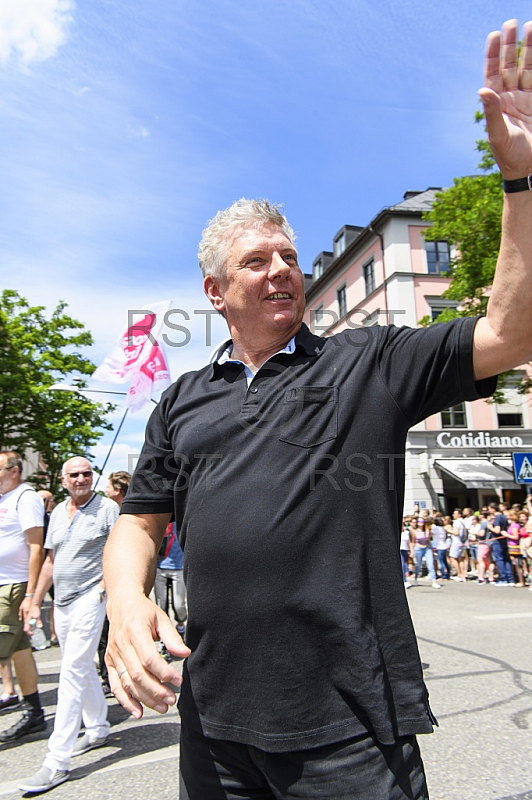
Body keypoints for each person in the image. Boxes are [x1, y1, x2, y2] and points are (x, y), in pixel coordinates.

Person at [104, 20, 532, 800]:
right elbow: (139, 520)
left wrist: (522, 182)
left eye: (290, 258)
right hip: (216, 723)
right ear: (214, 293)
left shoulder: (372, 361)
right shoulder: (183, 399)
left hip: (349, 727)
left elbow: (512, 331)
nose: (280, 271)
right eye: (256, 261)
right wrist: (125, 600)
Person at [17, 457, 119, 795]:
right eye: (74, 474)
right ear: (63, 480)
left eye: (87, 473)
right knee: (78, 665)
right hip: (61, 603)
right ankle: (99, 727)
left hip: (92, 595)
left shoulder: (107, 509)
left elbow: (119, 551)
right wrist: (33, 598)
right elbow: (50, 560)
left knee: (72, 669)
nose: (81, 478)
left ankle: (56, 761)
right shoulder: (59, 512)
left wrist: (107, 587)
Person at [0, 451, 46, 741]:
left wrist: (31, 594)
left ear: (13, 471)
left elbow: (36, 548)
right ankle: (34, 713)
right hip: (4, 584)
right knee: (20, 651)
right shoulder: (5, 497)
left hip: (13, 586)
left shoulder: (25, 497)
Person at [98, 471, 132, 695]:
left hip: (116, 581)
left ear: (117, 490)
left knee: (109, 630)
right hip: (119, 580)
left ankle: (113, 676)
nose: (105, 491)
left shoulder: (114, 513)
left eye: (108, 487)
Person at [487, 501, 513, 585]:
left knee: (499, 559)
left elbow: (497, 530)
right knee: (506, 559)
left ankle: (503, 578)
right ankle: (510, 578)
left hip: (497, 540)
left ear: (493, 509)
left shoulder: (497, 518)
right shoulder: (504, 517)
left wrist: (490, 527)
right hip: (504, 540)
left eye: (489, 509)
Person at [412, 518, 441, 589]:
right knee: (418, 564)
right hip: (418, 548)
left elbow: (429, 541)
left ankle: (434, 581)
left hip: (427, 548)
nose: (421, 523)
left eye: (422, 521)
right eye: (419, 521)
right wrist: (412, 551)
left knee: (430, 564)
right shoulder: (414, 531)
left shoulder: (427, 531)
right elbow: (413, 542)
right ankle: (416, 577)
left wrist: (432, 550)